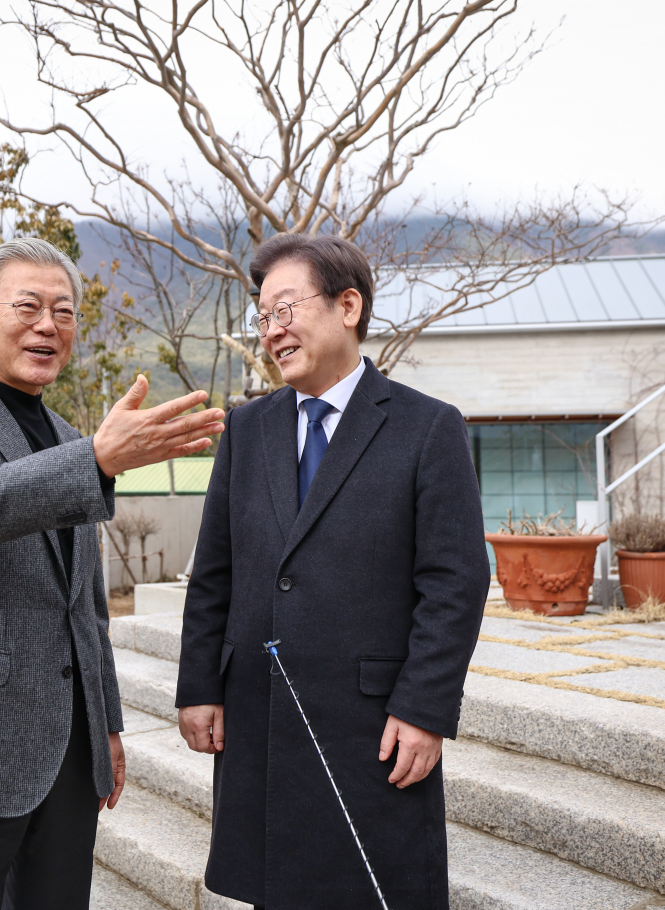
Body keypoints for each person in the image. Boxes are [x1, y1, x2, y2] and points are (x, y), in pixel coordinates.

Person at [0, 237, 226, 910]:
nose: (48, 325)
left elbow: (85, 607)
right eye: (28, 306)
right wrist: (96, 459)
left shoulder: (67, 436)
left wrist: (108, 727)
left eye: (63, 312)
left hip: (65, 756)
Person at [175, 234, 490, 910]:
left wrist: (425, 708)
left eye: (286, 307)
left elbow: (455, 582)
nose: (273, 329)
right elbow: (215, 573)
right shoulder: (247, 429)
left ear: (349, 306)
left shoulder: (426, 428)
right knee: (276, 891)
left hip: (372, 723)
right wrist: (198, 684)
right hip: (260, 717)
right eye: (263, 316)